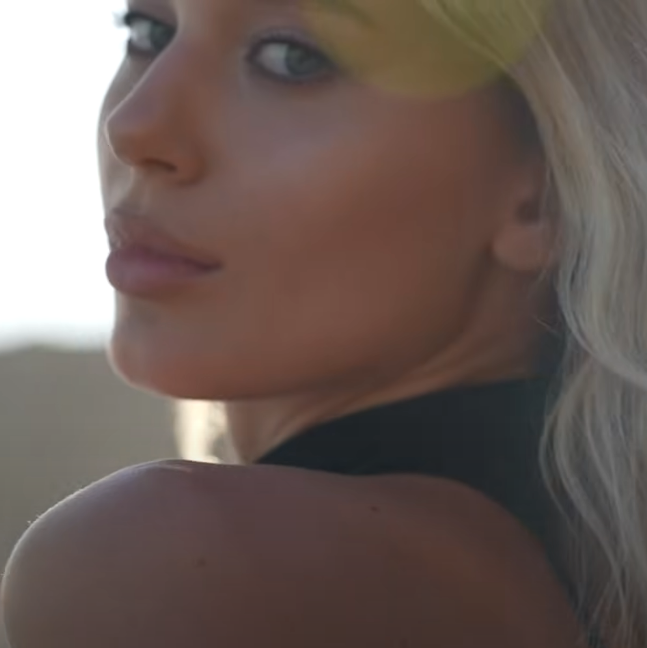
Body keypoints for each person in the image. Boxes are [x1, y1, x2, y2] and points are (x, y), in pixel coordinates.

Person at [2, 0, 646, 646]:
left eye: (291, 59)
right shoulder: (555, 591)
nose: (133, 125)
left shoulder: (162, 567)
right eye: (149, 31)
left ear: (543, 194)